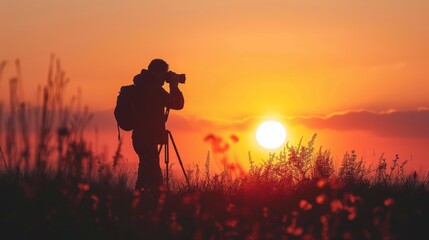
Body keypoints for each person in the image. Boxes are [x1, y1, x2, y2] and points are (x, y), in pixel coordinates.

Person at [131, 59, 184, 192]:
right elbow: (177, 104)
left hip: (138, 137)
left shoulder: (141, 85)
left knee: (145, 169)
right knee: (154, 176)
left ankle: (140, 199)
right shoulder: (154, 89)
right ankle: (153, 201)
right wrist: (174, 86)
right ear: (158, 73)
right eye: (165, 73)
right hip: (148, 137)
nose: (166, 77)